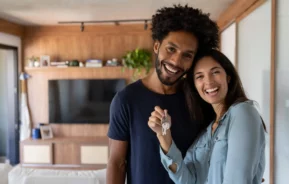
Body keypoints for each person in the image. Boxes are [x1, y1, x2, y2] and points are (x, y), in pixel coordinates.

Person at [106, 4, 219, 184]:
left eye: (187, 55)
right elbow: (117, 162)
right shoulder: (126, 100)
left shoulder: (200, 99)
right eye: (171, 49)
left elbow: (215, 151)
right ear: (157, 46)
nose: (176, 61)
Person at [148, 49, 266, 184]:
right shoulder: (206, 131)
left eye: (215, 72)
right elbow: (186, 180)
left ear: (228, 77)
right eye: (200, 76)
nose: (208, 81)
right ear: (195, 86)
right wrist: (164, 136)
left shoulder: (243, 112)